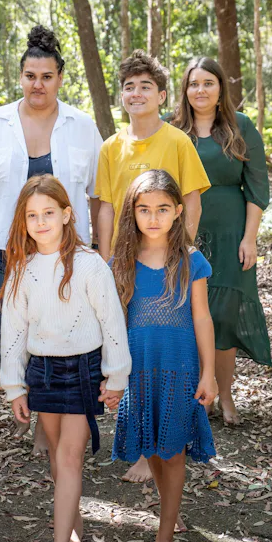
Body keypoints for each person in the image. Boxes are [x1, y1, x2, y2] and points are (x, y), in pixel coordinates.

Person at [0, 25, 103, 450]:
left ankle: (47, 423)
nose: (38, 84)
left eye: (46, 76)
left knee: (57, 334)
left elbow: (99, 194)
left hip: (67, 255)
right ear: (20, 77)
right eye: (30, 76)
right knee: (11, 335)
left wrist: (100, 248)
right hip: (9, 252)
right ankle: (27, 403)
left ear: (60, 78)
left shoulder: (81, 126)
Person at [0, 175, 131, 542]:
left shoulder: (90, 265)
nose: (41, 222)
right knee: (58, 459)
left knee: (71, 457)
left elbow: (112, 323)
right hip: (42, 371)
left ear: (67, 214)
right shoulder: (21, 270)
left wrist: (116, 376)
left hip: (83, 370)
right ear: (23, 221)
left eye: (48, 213)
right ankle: (73, 522)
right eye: (32, 215)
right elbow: (13, 332)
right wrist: (14, 386)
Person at [95, 50, 210, 482]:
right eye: (129, 87)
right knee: (130, 339)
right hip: (126, 261)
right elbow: (106, 206)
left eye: (146, 86)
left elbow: (192, 200)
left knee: (168, 338)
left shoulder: (177, 141)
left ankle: (167, 441)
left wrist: (182, 249)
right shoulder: (111, 147)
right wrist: (106, 259)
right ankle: (143, 444)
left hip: (170, 258)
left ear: (162, 95)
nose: (137, 93)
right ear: (121, 96)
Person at [110, 169, 217, 542]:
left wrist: (209, 373)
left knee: (172, 453)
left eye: (162, 209)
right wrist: (110, 374)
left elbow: (202, 318)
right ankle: (171, 510)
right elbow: (112, 323)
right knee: (153, 446)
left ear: (177, 212)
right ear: (132, 212)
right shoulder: (120, 262)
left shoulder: (191, 261)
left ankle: (164, 538)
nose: (153, 218)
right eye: (144, 209)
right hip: (138, 369)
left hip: (179, 368)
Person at [171, 57, 271, 425]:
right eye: (194, 83)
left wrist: (250, 239)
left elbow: (257, 187)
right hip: (184, 234)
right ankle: (199, 393)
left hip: (231, 234)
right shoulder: (172, 130)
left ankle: (225, 394)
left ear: (220, 89)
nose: (200, 90)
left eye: (208, 83)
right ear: (185, 90)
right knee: (189, 314)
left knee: (224, 317)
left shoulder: (240, 126)